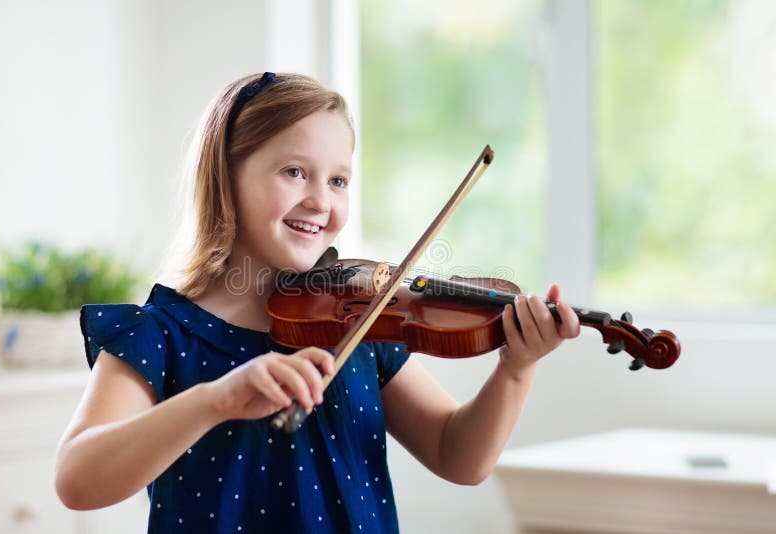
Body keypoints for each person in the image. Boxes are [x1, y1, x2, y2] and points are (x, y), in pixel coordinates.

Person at [54, 72, 580, 533]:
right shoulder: (161, 333)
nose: (320, 201)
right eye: (294, 172)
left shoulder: (357, 325)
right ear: (227, 176)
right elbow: (77, 479)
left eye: (338, 180)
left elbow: (458, 455)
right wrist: (214, 400)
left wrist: (515, 369)